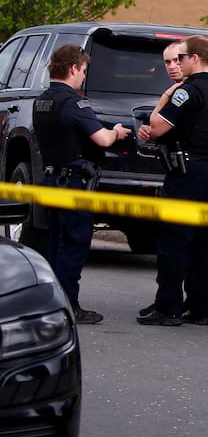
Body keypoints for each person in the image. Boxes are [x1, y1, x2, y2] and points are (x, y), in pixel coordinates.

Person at [135, 35, 208, 327]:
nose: (179, 63)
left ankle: (168, 307)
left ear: (195, 58)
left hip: (185, 173)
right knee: (202, 243)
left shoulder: (186, 92)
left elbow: (158, 125)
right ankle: (200, 309)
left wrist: (166, 96)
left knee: (173, 242)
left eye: (182, 57)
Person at [32, 45, 131, 324]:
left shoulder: (42, 101)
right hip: (73, 183)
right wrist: (116, 132)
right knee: (73, 246)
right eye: (83, 71)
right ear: (73, 68)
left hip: (50, 180)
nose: (83, 77)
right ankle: (69, 306)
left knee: (53, 245)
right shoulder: (74, 102)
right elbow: (102, 139)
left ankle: (51, 305)